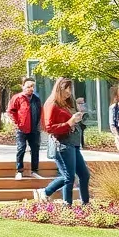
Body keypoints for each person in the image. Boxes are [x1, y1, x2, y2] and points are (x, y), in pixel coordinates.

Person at [37, 77, 90, 206]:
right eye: (65, 88)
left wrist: (78, 118)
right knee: (69, 177)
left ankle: (86, 204)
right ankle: (67, 205)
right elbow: (49, 128)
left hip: (73, 142)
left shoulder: (68, 103)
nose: (68, 92)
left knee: (84, 175)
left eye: (70, 89)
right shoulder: (52, 104)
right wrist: (69, 122)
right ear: (58, 88)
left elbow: (71, 120)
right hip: (62, 143)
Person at [7, 78, 44, 180]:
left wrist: (40, 125)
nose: (30, 89)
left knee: (35, 149)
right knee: (21, 148)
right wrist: (16, 123)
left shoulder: (36, 99)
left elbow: (40, 112)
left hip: (34, 129)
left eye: (32, 86)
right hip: (21, 129)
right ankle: (19, 170)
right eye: (28, 86)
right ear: (23, 87)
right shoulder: (17, 98)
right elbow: (10, 111)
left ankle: (35, 170)